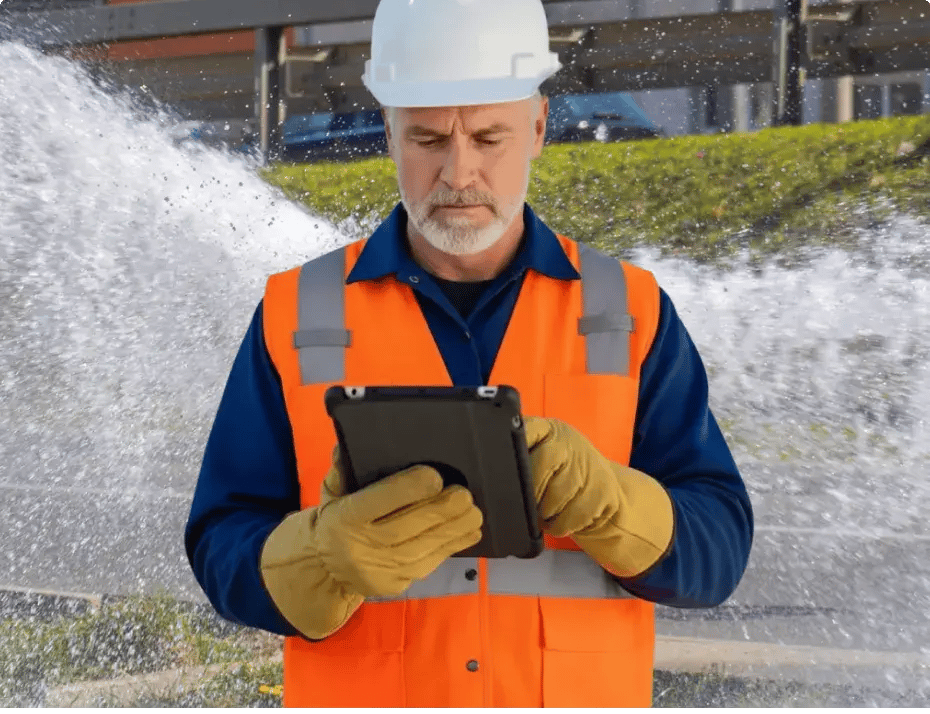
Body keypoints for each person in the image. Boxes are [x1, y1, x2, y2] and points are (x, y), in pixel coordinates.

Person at [185, 0, 753, 707]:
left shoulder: (630, 309)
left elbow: (720, 548)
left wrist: (612, 504)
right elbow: (221, 544)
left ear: (538, 128)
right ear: (389, 131)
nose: (459, 173)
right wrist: (321, 557)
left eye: (489, 137)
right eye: (428, 138)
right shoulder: (295, 312)